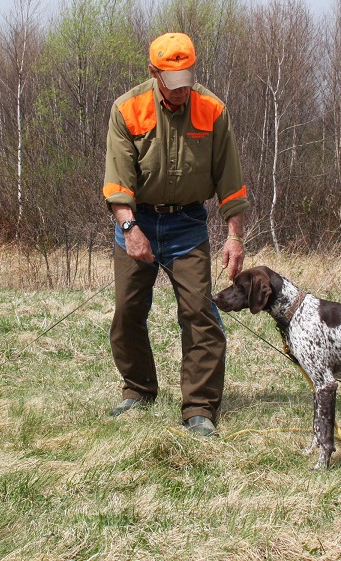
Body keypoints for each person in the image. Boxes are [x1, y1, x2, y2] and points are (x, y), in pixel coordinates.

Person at [102, 32, 249, 436]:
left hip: (187, 225)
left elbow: (231, 184)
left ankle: (199, 408)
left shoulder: (213, 110)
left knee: (200, 316)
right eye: (173, 81)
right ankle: (138, 390)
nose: (182, 90)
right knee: (128, 313)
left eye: (188, 79)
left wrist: (234, 237)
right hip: (138, 222)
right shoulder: (127, 109)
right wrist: (131, 230)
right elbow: (117, 183)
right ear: (153, 72)